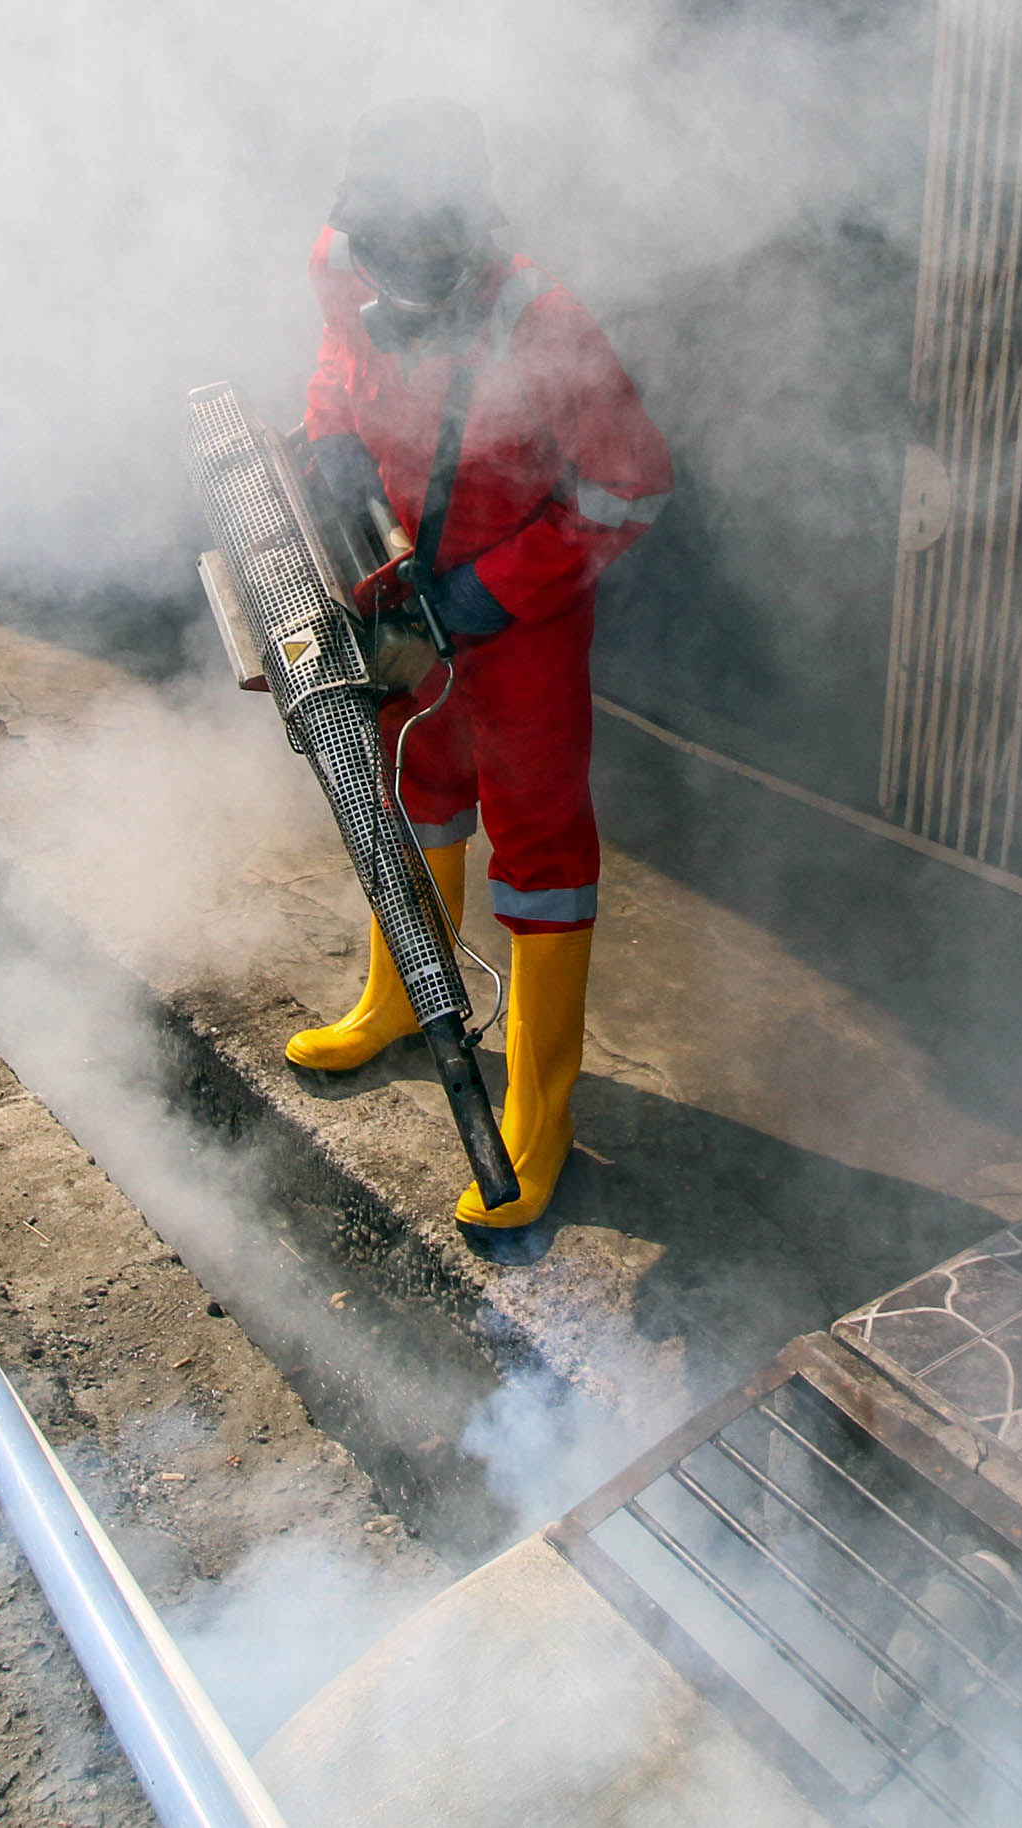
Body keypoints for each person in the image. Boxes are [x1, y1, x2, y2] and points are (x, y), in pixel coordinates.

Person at [281, 97, 674, 1231]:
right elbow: (334, 360)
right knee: (413, 784)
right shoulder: (337, 261)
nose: (399, 279)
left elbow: (630, 486)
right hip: (399, 587)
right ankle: (403, 993)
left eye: (426, 259)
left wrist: (487, 592)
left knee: (542, 851)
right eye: (381, 256)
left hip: (521, 624)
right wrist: (331, 444)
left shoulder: (546, 321)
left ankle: (540, 1107)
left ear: (470, 234)